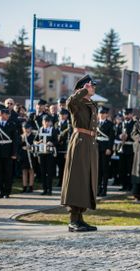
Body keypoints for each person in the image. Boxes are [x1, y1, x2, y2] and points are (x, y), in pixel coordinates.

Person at [61, 74, 99, 232]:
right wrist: (83, 91)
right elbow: (70, 102)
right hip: (80, 142)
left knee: (86, 181)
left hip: (89, 143)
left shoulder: (90, 103)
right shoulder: (76, 102)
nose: (93, 88)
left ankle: (80, 217)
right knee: (76, 180)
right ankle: (73, 219)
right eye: (90, 85)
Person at [0, 105, 19, 198]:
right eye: (6, 113)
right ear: (0, 114)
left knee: (8, 173)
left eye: (8, 113)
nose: (8, 115)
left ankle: (7, 192)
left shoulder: (12, 124)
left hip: (8, 152)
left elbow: (15, 140)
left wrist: (14, 153)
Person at [35, 115, 58, 195]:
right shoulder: (40, 130)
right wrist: (38, 142)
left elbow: (56, 141)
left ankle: (50, 190)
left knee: (49, 172)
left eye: (48, 121)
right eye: (45, 121)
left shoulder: (53, 130)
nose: (46, 123)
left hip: (50, 153)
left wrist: (52, 143)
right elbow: (35, 141)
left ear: (50, 122)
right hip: (41, 153)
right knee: (43, 171)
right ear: (42, 122)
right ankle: (44, 189)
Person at [96, 106, 115, 197]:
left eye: (103, 113)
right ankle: (98, 189)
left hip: (105, 149)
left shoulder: (110, 124)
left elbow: (111, 138)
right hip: (97, 148)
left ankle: (104, 190)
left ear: (107, 114)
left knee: (105, 170)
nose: (102, 115)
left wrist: (109, 148)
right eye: (100, 113)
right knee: (98, 170)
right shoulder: (95, 124)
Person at [118, 108, 135, 191]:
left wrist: (129, 137)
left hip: (130, 148)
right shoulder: (121, 124)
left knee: (130, 168)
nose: (126, 115)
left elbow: (136, 135)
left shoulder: (134, 124)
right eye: (125, 114)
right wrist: (120, 136)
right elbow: (116, 134)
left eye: (128, 114)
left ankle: (130, 185)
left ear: (131, 114)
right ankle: (124, 185)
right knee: (122, 169)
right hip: (122, 149)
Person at [56, 109, 72, 187]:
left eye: (63, 114)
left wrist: (67, 150)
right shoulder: (56, 124)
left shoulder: (69, 124)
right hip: (57, 147)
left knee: (64, 166)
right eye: (60, 114)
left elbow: (69, 137)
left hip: (64, 147)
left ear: (67, 115)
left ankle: (63, 181)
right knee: (59, 165)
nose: (62, 116)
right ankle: (60, 180)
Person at [19, 122, 36, 193]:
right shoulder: (21, 136)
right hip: (24, 155)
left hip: (31, 155)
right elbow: (18, 146)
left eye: (28, 128)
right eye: (25, 128)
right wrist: (22, 144)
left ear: (31, 129)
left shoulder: (34, 136)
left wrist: (31, 147)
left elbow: (35, 144)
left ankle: (31, 186)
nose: (26, 130)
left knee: (31, 171)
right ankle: (24, 186)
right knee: (24, 171)